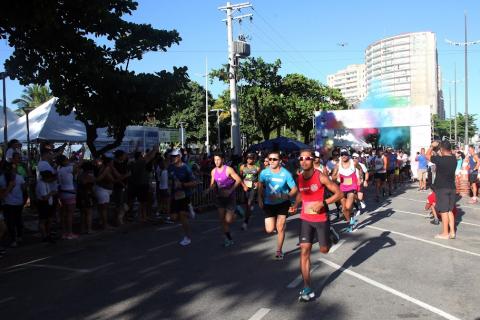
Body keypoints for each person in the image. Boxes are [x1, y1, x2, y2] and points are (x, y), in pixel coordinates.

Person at [290, 149, 343, 302]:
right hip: (306, 219)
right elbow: (301, 193)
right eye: (301, 158)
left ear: (313, 160)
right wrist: (295, 204)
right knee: (304, 250)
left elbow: (339, 193)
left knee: (324, 250)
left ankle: (331, 233)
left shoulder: (321, 177)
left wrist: (323, 203)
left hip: (321, 220)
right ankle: (307, 287)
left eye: (307, 158)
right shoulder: (299, 178)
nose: (304, 161)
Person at [258, 151, 298, 259]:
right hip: (269, 204)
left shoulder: (286, 174)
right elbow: (260, 186)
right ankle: (277, 223)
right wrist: (259, 198)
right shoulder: (264, 173)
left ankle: (279, 250)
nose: (271, 161)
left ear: (279, 161)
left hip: (282, 204)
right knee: (270, 229)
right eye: (270, 159)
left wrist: (286, 196)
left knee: (280, 228)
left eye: (274, 159)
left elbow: (294, 189)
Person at [208, 152, 242, 247]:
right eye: (215, 160)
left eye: (218, 159)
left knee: (228, 220)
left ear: (222, 160)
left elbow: (238, 180)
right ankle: (228, 239)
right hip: (220, 198)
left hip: (230, 198)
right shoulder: (213, 171)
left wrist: (230, 190)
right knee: (222, 220)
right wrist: (208, 189)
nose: (216, 162)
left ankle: (236, 213)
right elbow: (212, 184)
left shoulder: (228, 169)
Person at [426, 140, 457, 239]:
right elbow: (446, 153)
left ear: (442, 149)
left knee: (443, 211)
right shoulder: (454, 159)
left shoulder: (440, 159)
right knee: (449, 210)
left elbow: (427, 155)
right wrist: (440, 149)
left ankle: (445, 233)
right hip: (452, 187)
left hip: (442, 188)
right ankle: (452, 232)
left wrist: (432, 146)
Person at [169, 149, 196, 246]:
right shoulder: (170, 167)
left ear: (179, 157)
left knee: (182, 216)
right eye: (171, 156)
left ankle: (187, 237)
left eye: (174, 156)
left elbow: (194, 182)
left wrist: (183, 185)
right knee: (173, 217)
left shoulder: (186, 168)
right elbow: (170, 180)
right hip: (174, 196)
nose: (172, 158)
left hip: (184, 195)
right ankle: (189, 208)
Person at [332, 149, 363, 232]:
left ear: (348, 155)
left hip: (352, 187)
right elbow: (333, 177)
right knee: (344, 210)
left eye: (345, 154)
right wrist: (336, 177)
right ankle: (350, 222)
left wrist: (360, 178)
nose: (344, 156)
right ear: (340, 156)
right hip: (342, 188)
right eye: (342, 154)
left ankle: (358, 201)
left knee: (348, 206)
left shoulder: (354, 163)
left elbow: (360, 169)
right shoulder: (338, 165)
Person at [0, 163, 27, 247]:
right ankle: (19, 237)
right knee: (18, 220)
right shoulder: (19, 177)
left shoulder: (1, 178)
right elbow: (24, 189)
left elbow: (1, 194)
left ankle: (13, 240)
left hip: (7, 203)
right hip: (18, 202)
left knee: (10, 222)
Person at [57, 155, 79, 239]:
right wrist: (82, 153)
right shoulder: (68, 168)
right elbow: (78, 165)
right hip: (70, 192)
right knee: (70, 215)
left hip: (63, 192)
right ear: (63, 161)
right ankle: (69, 233)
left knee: (63, 214)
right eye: (66, 160)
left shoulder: (59, 169)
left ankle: (64, 233)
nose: (68, 161)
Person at [239, 153, 260, 231]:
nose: (249, 160)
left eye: (251, 158)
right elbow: (239, 177)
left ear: (254, 159)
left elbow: (260, 178)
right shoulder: (242, 167)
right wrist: (243, 185)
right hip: (245, 188)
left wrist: (257, 183)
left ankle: (245, 222)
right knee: (246, 205)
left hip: (253, 188)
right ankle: (249, 211)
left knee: (249, 203)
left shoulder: (257, 168)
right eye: (248, 158)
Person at [36, 171, 57, 242]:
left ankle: (48, 234)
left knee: (49, 219)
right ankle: (44, 236)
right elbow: (44, 197)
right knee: (43, 220)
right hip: (43, 204)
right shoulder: (41, 184)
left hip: (48, 204)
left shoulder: (46, 183)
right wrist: (52, 193)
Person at [77, 161, 96, 234]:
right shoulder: (88, 175)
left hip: (81, 194)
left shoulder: (80, 174)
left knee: (82, 213)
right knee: (88, 212)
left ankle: (82, 229)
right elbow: (88, 182)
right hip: (87, 194)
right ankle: (89, 229)